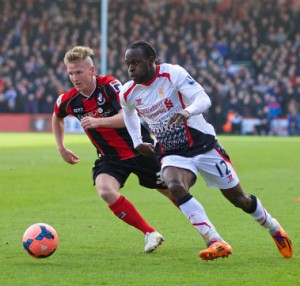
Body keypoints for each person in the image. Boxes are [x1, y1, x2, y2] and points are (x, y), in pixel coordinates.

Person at [120, 40, 293, 260]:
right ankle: (214, 239)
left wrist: (187, 112)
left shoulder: (173, 74)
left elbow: (204, 98)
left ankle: (273, 228)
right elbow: (128, 113)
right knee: (174, 185)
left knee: (240, 199)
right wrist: (136, 141)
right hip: (172, 151)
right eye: (128, 63)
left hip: (203, 144)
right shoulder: (128, 92)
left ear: (151, 60)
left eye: (136, 62)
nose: (131, 68)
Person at [52, 46, 176, 253]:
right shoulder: (69, 100)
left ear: (91, 70)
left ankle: (207, 232)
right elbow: (57, 117)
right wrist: (61, 147)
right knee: (105, 190)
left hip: (140, 149)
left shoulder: (110, 86)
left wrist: (99, 122)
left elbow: (130, 117)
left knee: (174, 191)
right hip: (110, 158)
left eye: (79, 72)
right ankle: (149, 233)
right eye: (71, 73)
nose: (74, 77)